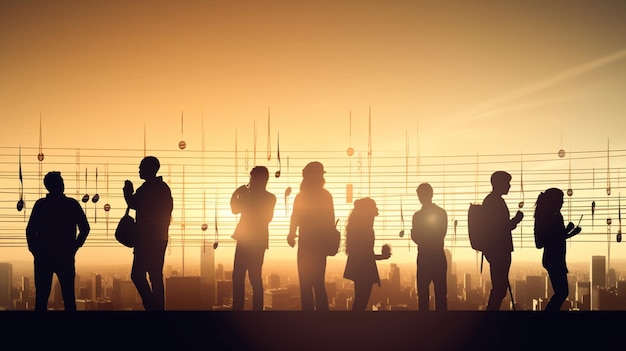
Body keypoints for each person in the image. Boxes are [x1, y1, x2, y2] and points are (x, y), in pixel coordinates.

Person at [26, 171, 90, 311]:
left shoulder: (41, 205)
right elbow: (85, 228)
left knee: (41, 299)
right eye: (60, 181)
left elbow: (30, 231)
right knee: (69, 299)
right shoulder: (71, 204)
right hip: (64, 256)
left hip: (44, 257)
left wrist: (36, 252)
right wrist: (73, 248)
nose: (62, 184)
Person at [123, 156, 173, 311]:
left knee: (138, 274)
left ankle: (152, 306)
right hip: (159, 237)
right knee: (155, 275)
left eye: (141, 167)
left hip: (146, 239)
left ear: (149, 169)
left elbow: (133, 204)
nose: (139, 170)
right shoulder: (163, 188)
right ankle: (158, 308)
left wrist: (127, 192)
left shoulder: (146, 188)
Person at [287, 161, 336, 311]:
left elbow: (295, 217)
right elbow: (330, 221)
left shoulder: (301, 196)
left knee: (305, 286)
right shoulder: (326, 196)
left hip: (305, 244)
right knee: (318, 284)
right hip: (320, 246)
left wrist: (291, 234)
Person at [230, 166, 276, 311]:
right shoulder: (270, 198)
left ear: (256, 179)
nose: (250, 180)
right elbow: (267, 218)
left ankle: (237, 309)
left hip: (245, 240)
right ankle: (257, 311)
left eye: (252, 177)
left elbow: (234, 209)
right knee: (255, 278)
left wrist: (237, 193)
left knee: (238, 276)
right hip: (259, 241)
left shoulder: (247, 196)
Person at [481, 171, 524, 311]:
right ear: (498, 184)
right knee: (500, 288)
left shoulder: (492, 200)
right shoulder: (494, 202)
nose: (509, 186)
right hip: (499, 250)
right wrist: (516, 220)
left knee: (499, 288)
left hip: (497, 250)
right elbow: (500, 228)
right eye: (507, 183)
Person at [534, 188, 581, 311]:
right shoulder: (548, 217)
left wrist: (569, 232)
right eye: (560, 200)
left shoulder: (552, 215)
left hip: (555, 259)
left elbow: (556, 238)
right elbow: (542, 242)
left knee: (562, 292)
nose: (562, 203)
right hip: (554, 259)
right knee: (562, 293)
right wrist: (567, 231)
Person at [343, 197, 391, 311]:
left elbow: (363, 254)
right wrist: (382, 256)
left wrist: (380, 256)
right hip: (364, 270)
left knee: (360, 300)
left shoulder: (360, 228)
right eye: (374, 206)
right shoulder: (365, 229)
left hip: (359, 269)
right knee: (361, 301)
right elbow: (365, 255)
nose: (376, 209)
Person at [411, 183, 448, 311]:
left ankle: (424, 324)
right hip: (437, 257)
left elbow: (416, 237)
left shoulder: (417, 216)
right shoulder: (441, 213)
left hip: (424, 258)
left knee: (423, 296)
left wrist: (418, 235)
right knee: (441, 295)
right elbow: (441, 234)